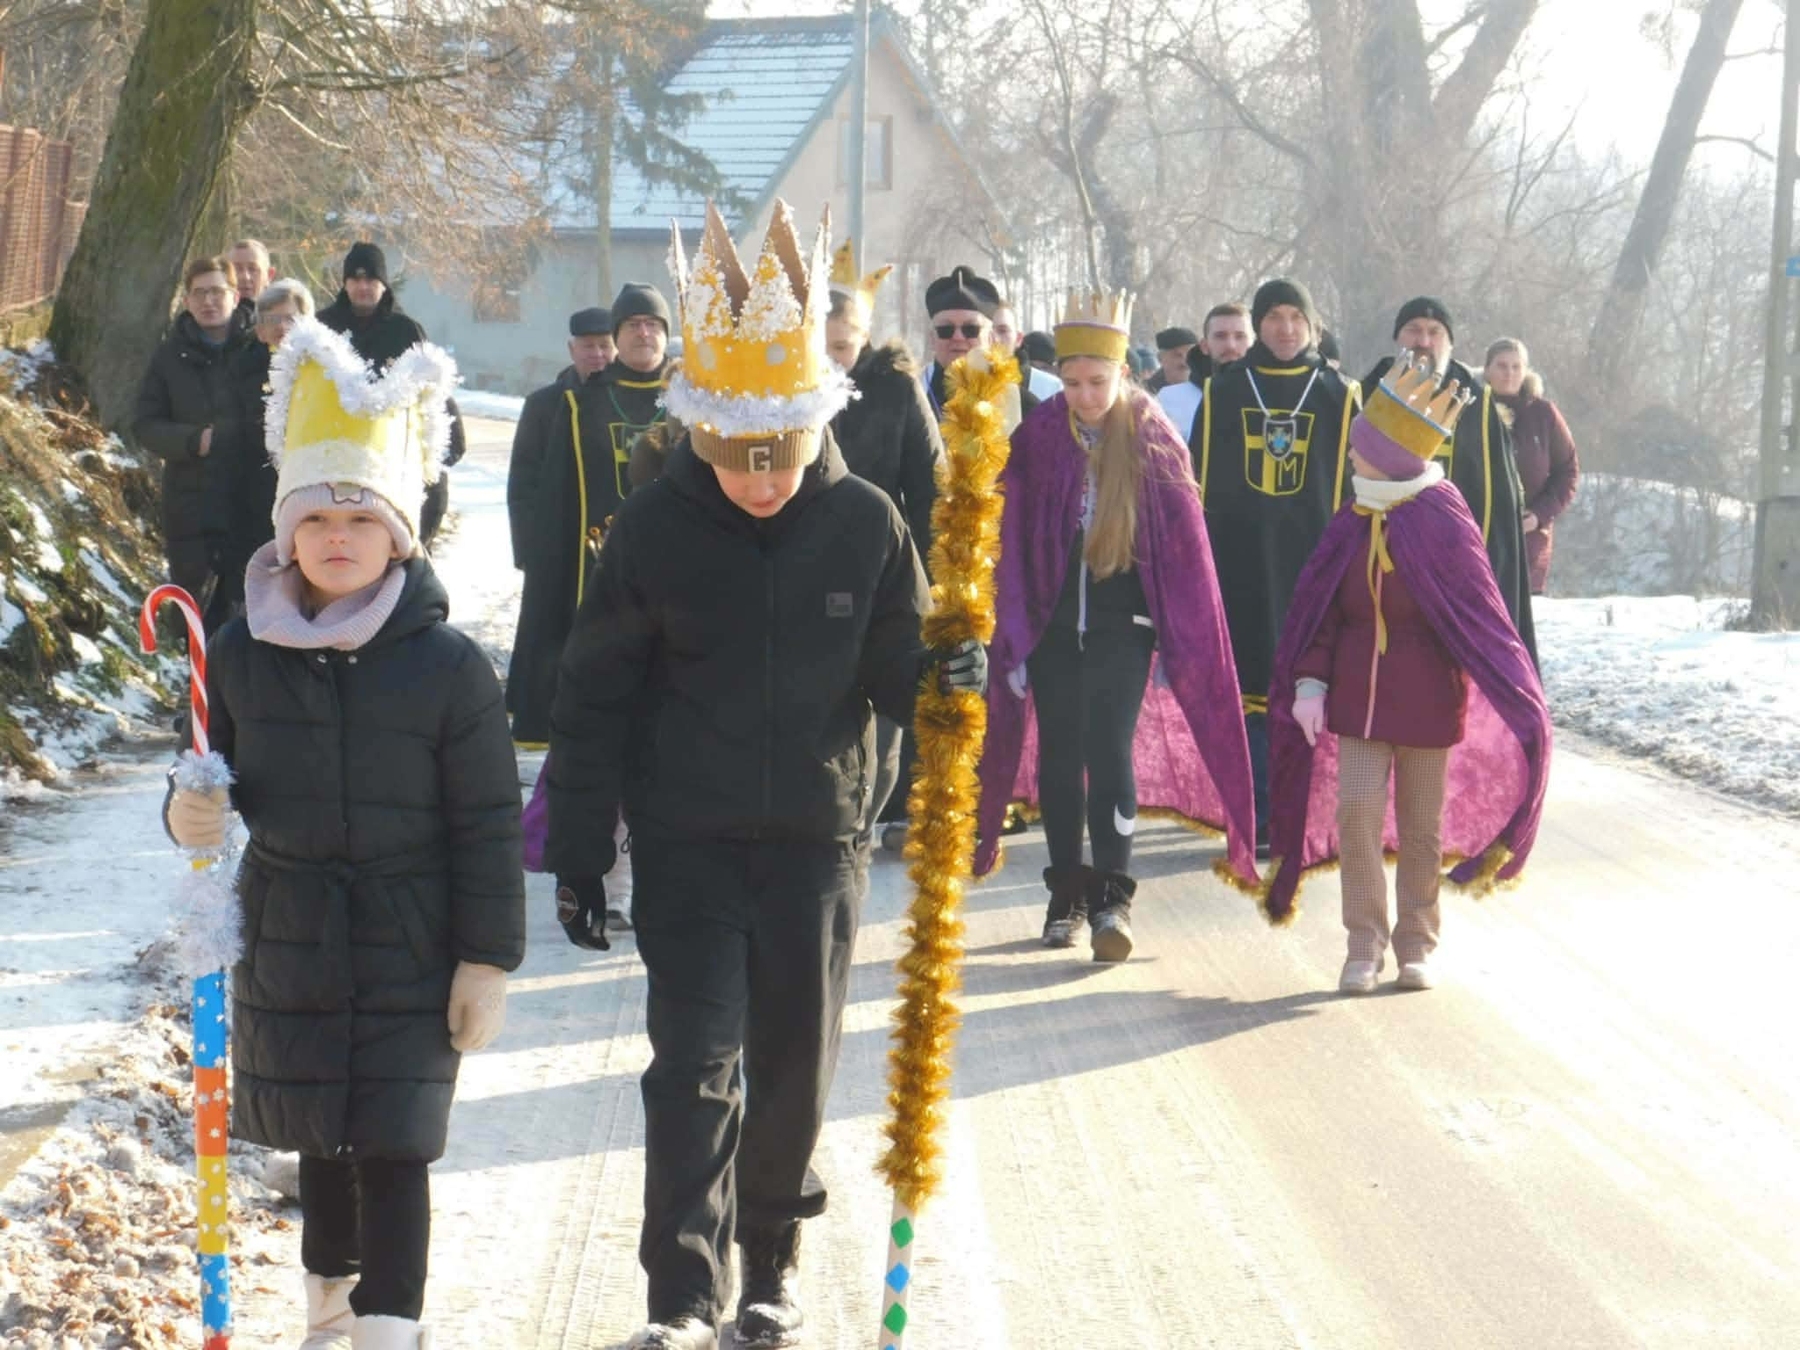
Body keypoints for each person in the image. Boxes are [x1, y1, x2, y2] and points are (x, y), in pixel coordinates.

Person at [545, 201, 981, 1350]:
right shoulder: (653, 531)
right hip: (688, 845)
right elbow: (592, 698)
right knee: (693, 1069)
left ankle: (770, 1271)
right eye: (738, 460)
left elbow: (902, 679)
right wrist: (579, 851)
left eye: (779, 457)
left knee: (792, 1069)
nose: (761, 482)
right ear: (703, 432)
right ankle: (681, 1299)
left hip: (816, 849)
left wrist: (947, 679)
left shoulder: (867, 525)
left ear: (810, 425)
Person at [161, 316, 525, 1349]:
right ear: (286, 531)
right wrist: (189, 809)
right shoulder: (240, 651)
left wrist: (486, 959)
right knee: (319, 1134)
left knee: (397, 1141)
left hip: (413, 928)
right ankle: (329, 1311)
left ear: (397, 534)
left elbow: (488, 822)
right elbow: (201, 769)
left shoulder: (448, 668)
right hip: (292, 925)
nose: (336, 537)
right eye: (315, 517)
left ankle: (390, 1327)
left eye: (360, 519)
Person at [974, 288, 1258, 960]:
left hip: (1122, 624)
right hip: (1050, 626)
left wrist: (1178, 637)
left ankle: (1112, 897)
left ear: (1121, 373)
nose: (1084, 395)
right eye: (1072, 382)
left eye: (1097, 382)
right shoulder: (1038, 436)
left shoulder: (1152, 438)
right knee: (1059, 754)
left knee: (1108, 750)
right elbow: (1011, 539)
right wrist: (1012, 634)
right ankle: (1065, 892)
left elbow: (1185, 550)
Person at [1267, 353, 1551, 992]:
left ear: (1392, 455)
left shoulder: (1441, 518)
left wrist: (1512, 697)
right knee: (1357, 818)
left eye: (1362, 448)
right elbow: (1320, 611)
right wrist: (1309, 682)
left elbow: (1477, 616)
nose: (1351, 456)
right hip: (1358, 704)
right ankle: (1363, 946)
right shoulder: (1353, 517)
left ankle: (1416, 942)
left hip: (1428, 705)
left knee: (1421, 831)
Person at [1193, 278, 1360, 854]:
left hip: (1317, 563)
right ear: (1258, 324)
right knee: (1252, 689)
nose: (1285, 329)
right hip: (1240, 561)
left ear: (1312, 325)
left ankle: (1308, 814)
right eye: (1273, 317)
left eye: (1296, 317)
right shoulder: (1223, 392)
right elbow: (1196, 485)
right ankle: (1260, 813)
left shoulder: (1342, 395)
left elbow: (1360, 489)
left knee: (1313, 686)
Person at [825, 243, 945, 834]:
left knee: (888, 724)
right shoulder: (788, 388)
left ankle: (863, 828)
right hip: (810, 572)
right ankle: (831, 832)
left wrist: (929, 576)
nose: (831, 362)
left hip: (884, 570)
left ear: (863, 338)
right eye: (820, 349)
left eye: (842, 348)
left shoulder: (896, 388)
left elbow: (929, 487)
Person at [1362, 299, 1536, 659]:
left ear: (1450, 343)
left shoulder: (1476, 405)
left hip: (1453, 571)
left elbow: (1496, 508)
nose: (1424, 341)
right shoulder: (1367, 393)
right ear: (1397, 338)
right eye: (1413, 330)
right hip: (1383, 566)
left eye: (1435, 332)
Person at [318, 242, 467, 549]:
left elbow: (433, 392)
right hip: (333, 465)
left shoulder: (405, 332)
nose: (363, 287)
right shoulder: (322, 329)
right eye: (355, 279)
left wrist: (445, 447)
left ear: (384, 284)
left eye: (371, 279)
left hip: (392, 466)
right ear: (345, 283)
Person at [134, 255, 253, 632]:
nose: (208, 301)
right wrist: (192, 441)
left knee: (245, 617)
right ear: (186, 301)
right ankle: (193, 669)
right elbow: (145, 424)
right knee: (194, 616)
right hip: (190, 505)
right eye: (199, 293)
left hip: (248, 502)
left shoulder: (257, 350)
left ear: (235, 296)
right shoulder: (169, 356)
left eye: (217, 291)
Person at [211, 278, 315, 625]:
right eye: (272, 320)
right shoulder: (241, 370)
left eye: (291, 318)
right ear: (259, 330)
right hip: (252, 500)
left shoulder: (325, 371)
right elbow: (229, 440)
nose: (282, 327)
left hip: (308, 494)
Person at [1486, 337, 1578, 594]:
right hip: (1478, 535)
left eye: (1516, 366)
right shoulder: (1470, 409)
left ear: (1526, 371)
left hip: (1529, 541)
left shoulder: (1544, 414)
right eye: (1502, 366)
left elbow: (1567, 472)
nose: (1509, 373)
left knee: (1522, 612)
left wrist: (1539, 515)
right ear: (1487, 369)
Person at [921, 265, 1041, 420]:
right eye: (946, 329)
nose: (958, 337)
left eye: (971, 329)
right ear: (932, 339)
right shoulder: (912, 397)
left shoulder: (1024, 406)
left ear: (990, 338)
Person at [1157, 301, 1251, 444]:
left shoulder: (1268, 397)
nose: (1231, 345)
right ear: (1204, 346)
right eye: (1220, 336)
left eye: (1240, 336)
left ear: (1253, 344)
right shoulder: (1169, 400)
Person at [992, 300, 1062, 402]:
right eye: (985, 330)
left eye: (1002, 331)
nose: (994, 339)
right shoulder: (967, 386)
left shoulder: (1052, 389)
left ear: (1018, 339)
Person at [1148, 325, 1199, 393]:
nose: (1185, 362)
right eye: (1178, 355)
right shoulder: (1146, 393)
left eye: (1190, 355)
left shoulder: (1206, 391)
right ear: (1160, 358)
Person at [228, 239, 274, 311]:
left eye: (253, 269)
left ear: (269, 275)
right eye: (237, 269)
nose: (245, 277)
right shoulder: (214, 315)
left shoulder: (281, 315)